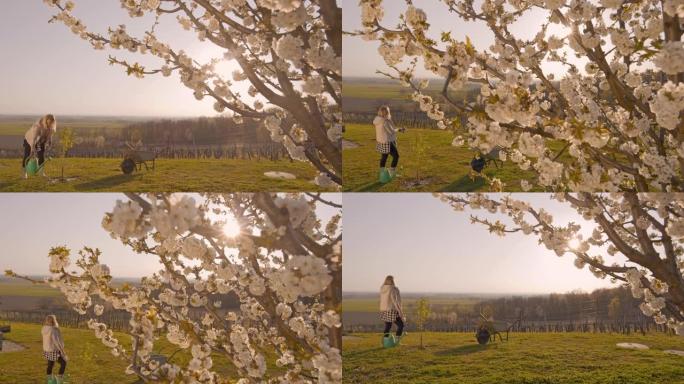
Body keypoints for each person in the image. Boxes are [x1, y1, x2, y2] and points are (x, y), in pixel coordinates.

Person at [373, 106, 403, 182]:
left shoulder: (377, 120)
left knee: (384, 157)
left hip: (381, 141)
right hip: (388, 141)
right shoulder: (385, 121)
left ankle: (382, 173)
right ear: (387, 112)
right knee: (396, 156)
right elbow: (391, 131)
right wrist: (399, 129)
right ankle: (392, 173)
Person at [22, 114, 57, 178]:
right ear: (46, 121)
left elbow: (50, 133)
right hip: (30, 140)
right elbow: (33, 139)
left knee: (41, 155)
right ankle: (24, 172)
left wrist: (49, 141)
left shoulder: (52, 125)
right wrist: (32, 149)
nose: (50, 125)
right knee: (28, 155)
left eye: (51, 123)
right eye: (48, 123)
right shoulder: (38, 127)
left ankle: (41, 172)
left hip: (40, 141)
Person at [42, 315, 67, 383]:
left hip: (47, 350)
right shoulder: (53, 330)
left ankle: (49, 380)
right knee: (64, 363)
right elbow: (56, 341)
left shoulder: (44, 328)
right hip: (53, 350)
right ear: (54, 320)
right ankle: (59, 380)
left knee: (50, 365)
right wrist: (62, 351)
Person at [380, 275, 404, 341]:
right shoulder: (392, 289)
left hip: (384, 310)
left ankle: (385, 341)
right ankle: (397, 340)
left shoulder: (382, 288)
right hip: (393, 309)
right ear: (392, 280)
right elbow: (394, 300)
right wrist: (400, 311)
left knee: (388, 326)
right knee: (401, 325)